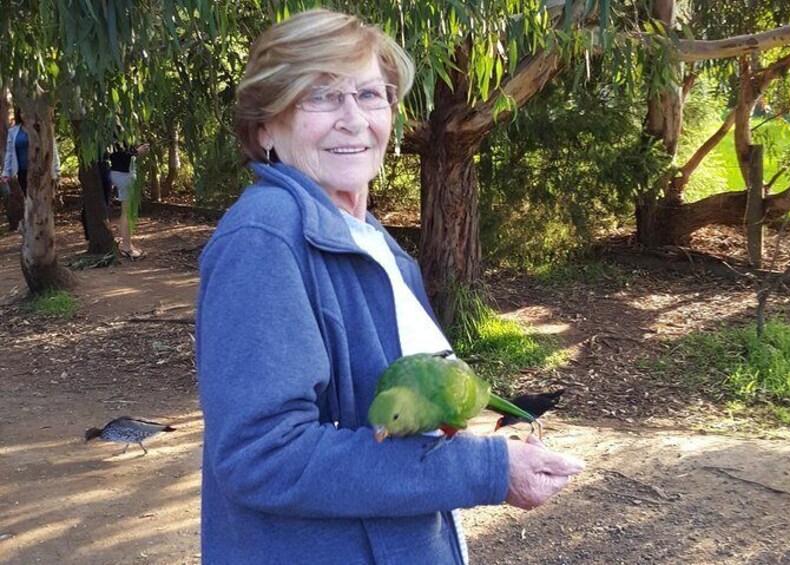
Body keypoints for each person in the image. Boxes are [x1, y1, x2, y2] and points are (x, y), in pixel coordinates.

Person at [196, 9, 585, 564]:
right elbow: (265, 455)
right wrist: (486, 470)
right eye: (321, 96)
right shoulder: (266, 240)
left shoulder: (372, 242)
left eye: (370, 95)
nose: (353, 119)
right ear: (265, 130)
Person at [1, 107, 61, 197]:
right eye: (22, 113)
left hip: (40, 170)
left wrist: (57, 170)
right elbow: (9, 152)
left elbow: (52, 149)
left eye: (27, 112)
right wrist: (6, 172)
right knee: (29, 198)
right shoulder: (13, 131)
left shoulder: (42, 128)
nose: (25, 115)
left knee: (41, 197)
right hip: (22, 171)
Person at [107, 141, 149, 258]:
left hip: (120, 174)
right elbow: (122, 154)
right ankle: (126, 247)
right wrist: (137, 151)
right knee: (127, 213)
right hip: (123, 175)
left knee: (127, 212)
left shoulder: (115, 135)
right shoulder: (118, 135)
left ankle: (128, 244)